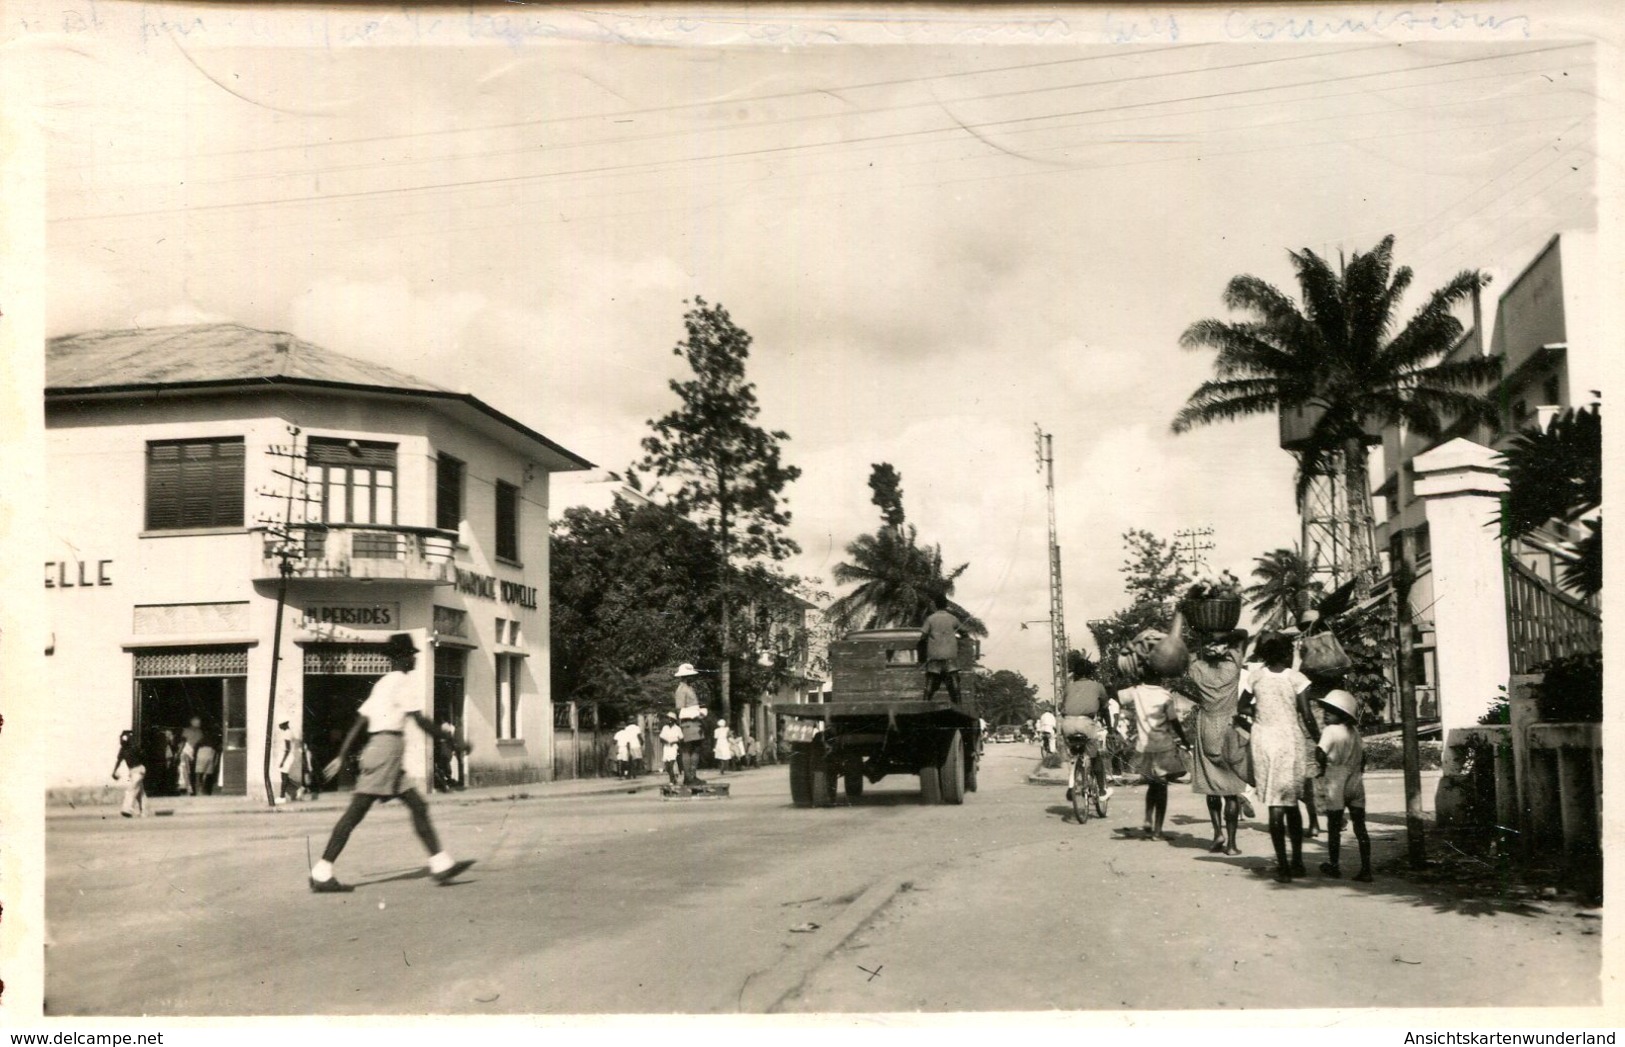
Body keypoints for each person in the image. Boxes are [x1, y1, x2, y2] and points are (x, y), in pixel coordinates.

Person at [308, 633, 474, 894]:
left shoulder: (382, 684)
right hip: (386, 751)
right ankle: (322, 871)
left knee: (418, 806)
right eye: (411, 655)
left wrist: (342, 754)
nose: (414, 659)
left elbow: (360, 722)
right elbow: (420, 722)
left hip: (385, 752)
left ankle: (441, 864)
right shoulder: (402, 682)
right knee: (356, 812)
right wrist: (453, 741)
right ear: (402, 657)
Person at [1241, 633, 1317, 883]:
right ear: (1287, 653)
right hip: (1288, 741)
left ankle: (1282, 865)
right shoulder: (1297, 678)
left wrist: (1260, 712)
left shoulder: (1257, 677)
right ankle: (1296, 861)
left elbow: (1241, 707)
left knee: (1274, 804)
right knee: (1291, 802)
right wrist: (1319, 739)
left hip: (1263, 740)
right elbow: (1306, 714)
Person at [1184, 629, 1253, 855]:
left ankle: (1217, 834)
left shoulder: (1198, 670)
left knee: (1212, 788)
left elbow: (1192, 653)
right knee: (1231, 791)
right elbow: (1242, 635)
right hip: (1229, 727)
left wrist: (1204, 640)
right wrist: (1224, 636)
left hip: (1207, 728)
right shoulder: (1232, 668)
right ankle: (1232, 844)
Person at [1117, 635, 1189, 840]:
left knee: (1151, 786)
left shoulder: (1136, 691)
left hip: (1144, 747)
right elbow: (1174, 722)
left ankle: (1147, 818)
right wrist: (1184, 740)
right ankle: (1158, 830)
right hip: (1164, 747)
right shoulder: (1165, 695)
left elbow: (1117, 694)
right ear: (1161, 675)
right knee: (1162, 789)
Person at [1314, 689, 1373, 882]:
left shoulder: (1329, 731)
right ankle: (1366, 869)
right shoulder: (1354, 732)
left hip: (1336, 778)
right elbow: (1364, 756)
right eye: (1325, 709)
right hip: (1355, 780)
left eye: (1331, 710)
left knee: (1333, 824)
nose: (1325, 713)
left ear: (1343, 714)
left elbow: (1320, 753)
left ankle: (1334, 865)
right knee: (1360, 825)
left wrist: (1322, 769)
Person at [1058, 652, 1112, 807]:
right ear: (1090, 673)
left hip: (1067, 724)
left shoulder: (1069, 687)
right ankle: (1102, 791)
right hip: (1086, 724)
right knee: (1095, 757)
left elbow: (1063, 708)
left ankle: (1072, 782)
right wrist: (1111, 728)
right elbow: (1105, 709)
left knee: (1075, 754)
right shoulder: (1098, 686)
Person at [919, 594, 964, 703]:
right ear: (946, 605)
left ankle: (925, 704)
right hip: (950, 656)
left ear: (935, 605)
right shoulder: (952, 618)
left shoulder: (930, 619)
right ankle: (958, 705)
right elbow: (964, 631)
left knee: (930, 682)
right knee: (954, 683)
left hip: (934, 656)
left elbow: (923, 636)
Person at [111, 730, 146, 818]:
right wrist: (114, 771)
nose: (122, 740)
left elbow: (143, 757)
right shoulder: (123, 750)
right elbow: (119, 761)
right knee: (140, 793)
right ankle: (144, 811)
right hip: (133, 772)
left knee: (131, 789)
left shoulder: (134, 747)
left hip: (138, 771)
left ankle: (127, 809)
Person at [279, 720, 309, 802]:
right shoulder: (289, 732)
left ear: (284, 724)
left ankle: (282, 797)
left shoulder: (287, 734)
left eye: (280, 724)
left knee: (284, 777)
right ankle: (299, 788)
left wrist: (282, 761)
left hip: (287, 757)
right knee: (284, 777)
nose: (279, 726)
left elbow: (287, 749)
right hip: (288, 756)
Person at [658, 713, 683, 785]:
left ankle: (672, 780)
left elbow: (681, 739)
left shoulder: (677, 728)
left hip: (674, 747)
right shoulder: (665, 728)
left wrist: (674, 742)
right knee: (667, 766)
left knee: (672, 764)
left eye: (669, 718)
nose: (668, 720)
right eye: (667, 718)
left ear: (673, 720)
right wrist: (666, 741)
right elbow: (661, 738)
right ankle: (673, 777)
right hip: (666, 747)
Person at [193, 728, 219, 797]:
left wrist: (194, 757)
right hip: (210, 753)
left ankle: (198, 791)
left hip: (201, 754)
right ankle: (206, 790)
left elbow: (195, 747)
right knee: (208, 774)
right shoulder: (214, 740)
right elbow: (217, 750)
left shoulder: (201, 740)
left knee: (199, 774)